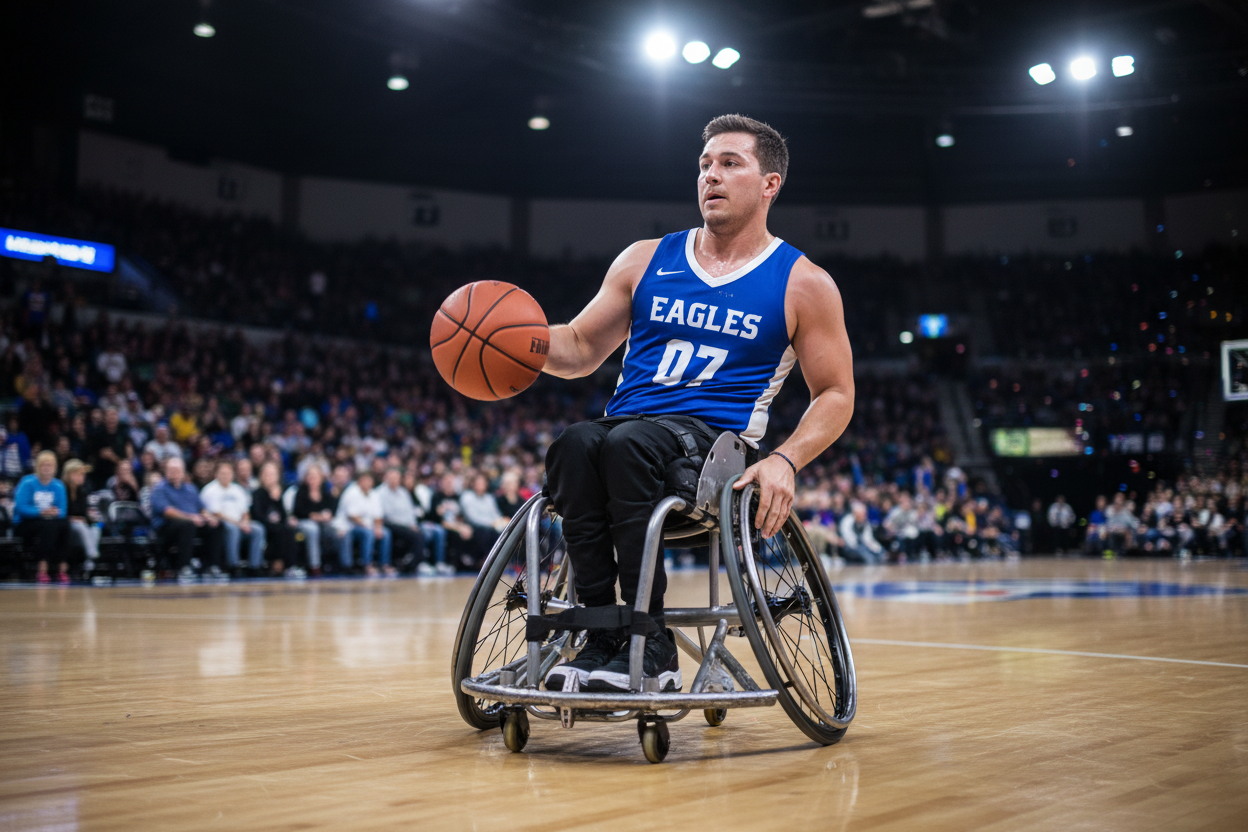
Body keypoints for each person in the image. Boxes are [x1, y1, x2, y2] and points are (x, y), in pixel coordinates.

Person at [539, 114, 854, 694]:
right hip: (628, 429)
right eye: (705, 164)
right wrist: (519, 338)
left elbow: (836, 393)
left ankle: (650, 642)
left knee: (627, 445)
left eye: (730, 163)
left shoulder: (803, 282)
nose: (712, 174)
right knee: (574, 442)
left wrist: (786, 460)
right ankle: (601, 634)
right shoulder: (644, 258)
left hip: (717, 448)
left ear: (770, 184)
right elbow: (580, 347)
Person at [149, 456, 225, 582]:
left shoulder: (190, 488)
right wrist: (190, 517)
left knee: (216, 525)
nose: (175, 473)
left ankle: (212, 566)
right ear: (166, 471)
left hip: (192, 522)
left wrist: (209, 517)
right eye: (172, 470)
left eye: (178, 470)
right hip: (166, 527)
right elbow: (167, 511)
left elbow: (201, 508)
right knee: (187, 525)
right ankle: (184, 568)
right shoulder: (160, 489)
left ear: (183, 472)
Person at [13, 450, 71, 582]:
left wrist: (54, 512)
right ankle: (42, 568)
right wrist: (41, 512)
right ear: (38, 466)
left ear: (55, 467)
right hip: (25, 523)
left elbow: (62, 510)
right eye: (44, 465)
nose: (46, 468)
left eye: (49, 465)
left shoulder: (58, 485)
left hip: (50, 521)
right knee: (48, 525)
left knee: (65, 524)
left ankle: (62, 568)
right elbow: (21, 508)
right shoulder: (27, 482)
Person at [200, 461, 265, 573]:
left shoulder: (237, 489)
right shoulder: (210, 490)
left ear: (233, 474)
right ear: (216, 474)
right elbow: (217, 513)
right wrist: (238, 524)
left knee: (258, 529)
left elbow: (245, 511)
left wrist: (245, 522)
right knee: (232, 529)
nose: (225, 476)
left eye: (228, 473)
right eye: (222, 473)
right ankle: (234, 566)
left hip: (239, 523)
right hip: (221, 524)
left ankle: (255, 566)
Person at [333, 471, 394, 577]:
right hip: (349, 527)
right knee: (368, 533)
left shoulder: (373, 494)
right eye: (365, 480)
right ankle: (367, 564)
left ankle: (384, 564)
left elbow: (378, 515)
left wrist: (378, 527)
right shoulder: (351, 492)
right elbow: (352, 516)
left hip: (368, 526)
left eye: (370, 481)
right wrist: (369, 526)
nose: (368, 483)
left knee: (386, 533)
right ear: (359, 481)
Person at [252, 461, 299, 576]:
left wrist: (277, 499)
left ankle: (289, 566)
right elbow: (258, 515)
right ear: (261, 476)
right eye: (267, 474)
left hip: (280, 526)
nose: (270, 477)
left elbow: (285, 515)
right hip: (264, 525)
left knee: (288, 530)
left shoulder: (283, 492)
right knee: (279, 530)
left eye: (273, 474)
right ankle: (276, 563)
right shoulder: (258, 493)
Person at [378, 467, 425, 573]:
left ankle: (414, 563)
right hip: (389, 523)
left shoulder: (403, 492)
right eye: (392, 478)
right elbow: (385, 514)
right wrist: (406, 525)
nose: (394, 480)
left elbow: (410, 511)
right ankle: (411, 565)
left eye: (396, 478)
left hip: (405, 524)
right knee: (417, 536)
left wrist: (412, 524)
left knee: (421, 532)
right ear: (386, 478)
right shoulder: (380, 493)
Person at [293, 464, 336, 576]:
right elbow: (298, 511)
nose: (313, 478)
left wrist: (327, 515)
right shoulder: (301, 492)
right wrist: (315, 516)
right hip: (304, 522)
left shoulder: (325, 492)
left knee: (333, 530)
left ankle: (332, 563)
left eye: (316, 476)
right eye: (310, 476)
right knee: (313, 529)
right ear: (306, 478)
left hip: (322, 522)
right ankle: (315, 565)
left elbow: (332, 509)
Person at [62, 459, 101, 567]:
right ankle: (92, 553)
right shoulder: (62, 490)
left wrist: (91, 518)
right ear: (70, 474)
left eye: (83, 474)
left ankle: (89, 563)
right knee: (79, 525)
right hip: (66, 527)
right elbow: (61, 513)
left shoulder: (82, 492)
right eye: (79, 474)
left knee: (96, 528)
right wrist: (73, 519)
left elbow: (84, 514)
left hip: (81, 527)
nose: (82, 477)